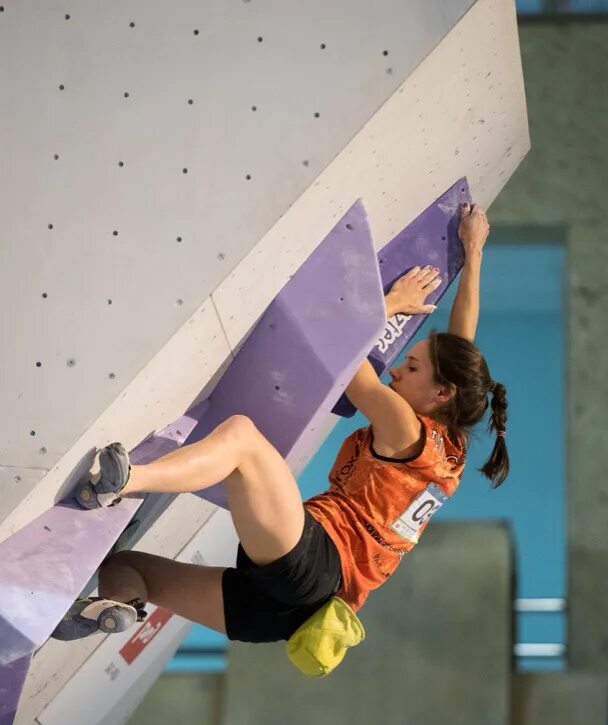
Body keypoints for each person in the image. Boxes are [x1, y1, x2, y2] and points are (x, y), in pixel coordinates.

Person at [52, 202, 509, 644]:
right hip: (294, 613)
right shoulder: (450, 448)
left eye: (410, 367)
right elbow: (460, 348)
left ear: (442, 394)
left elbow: (345, 350)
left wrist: (389, 304)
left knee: (242, 440)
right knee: (126, 568)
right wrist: (472, 253)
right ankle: (118, 607)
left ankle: (124, 481)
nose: (397, 371)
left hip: (315, 563)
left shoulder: (406, 427)